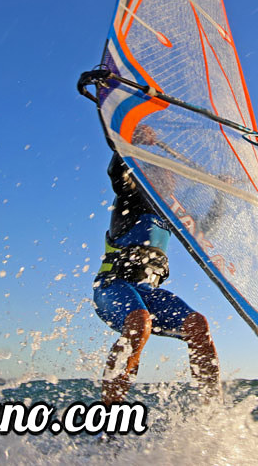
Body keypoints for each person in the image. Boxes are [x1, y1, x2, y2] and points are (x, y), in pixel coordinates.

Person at [92, 126, 219, 405]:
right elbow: (117, 173)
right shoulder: (132, 196)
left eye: (172, 175)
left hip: (147, 293)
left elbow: (206, 228)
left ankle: (212, 417)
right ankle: (109, 418)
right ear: (149, 175)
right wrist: (128, 144)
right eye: (164, 172)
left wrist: (221, 193)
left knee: (198, 326)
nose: (171, 179)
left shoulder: (172, 214)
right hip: (114, 287)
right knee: (140, 321)